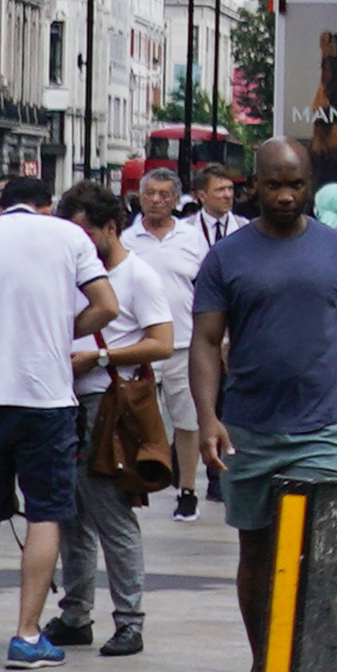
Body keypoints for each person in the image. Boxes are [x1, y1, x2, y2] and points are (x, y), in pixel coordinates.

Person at [182, 137, 337, 672]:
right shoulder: (227, 257)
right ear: (252, 186)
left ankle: (319, 665)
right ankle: (264, 665)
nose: (285, 196)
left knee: (328, 550)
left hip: (325, 428)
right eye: (273, 185)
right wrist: (208, 416)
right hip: (250, 430)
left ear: (309, 184)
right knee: (257, 554)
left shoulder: (336, 251)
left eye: (296, 184)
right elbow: (206, 342)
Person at [0, 168, 118, 671]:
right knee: (45, 513)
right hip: (46, 397)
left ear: (1, 200)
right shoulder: (69, 236)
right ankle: (27, 634)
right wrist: (59, 334)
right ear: (46, 205)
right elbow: (107, 306)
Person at [53, 181, 185, 657]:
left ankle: (129, 620)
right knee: (71, 516)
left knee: (111, 513)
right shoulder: (71, 273)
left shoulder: (138, 277)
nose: (77, 245)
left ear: (110, 228)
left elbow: (162, 342)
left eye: (85, 234)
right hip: (65, 405)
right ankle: (75, 613)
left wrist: (101, 360)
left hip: (109, 406)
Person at [125, 158, 225, 524]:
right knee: (137, 420)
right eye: (149, 193)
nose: (156, 200)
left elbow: (210, 289)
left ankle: (187, 489)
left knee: (188, 421)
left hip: (185, 343)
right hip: (141, 344)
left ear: (177, 200)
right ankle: (133, 482)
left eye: (164, 195)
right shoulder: (127, 239)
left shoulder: (192, 238)